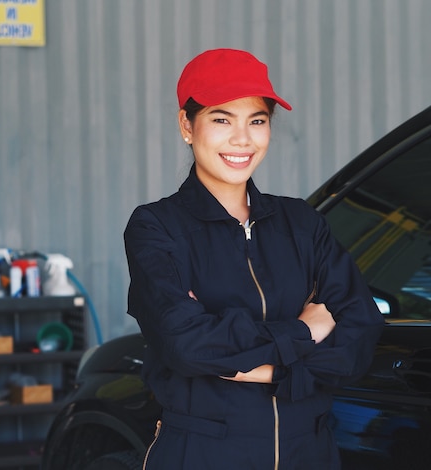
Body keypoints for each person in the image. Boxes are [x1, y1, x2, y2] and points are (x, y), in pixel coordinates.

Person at [124, 48, 384, 469]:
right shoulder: (156, 227)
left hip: (310, 454)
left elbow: (360, 331)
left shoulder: (302, 223)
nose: (242, 139)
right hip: (204, 454)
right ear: (187, 126)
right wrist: (304, 331)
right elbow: (185, 343)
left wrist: (268, 370)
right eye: (222, 119)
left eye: (257, 121)